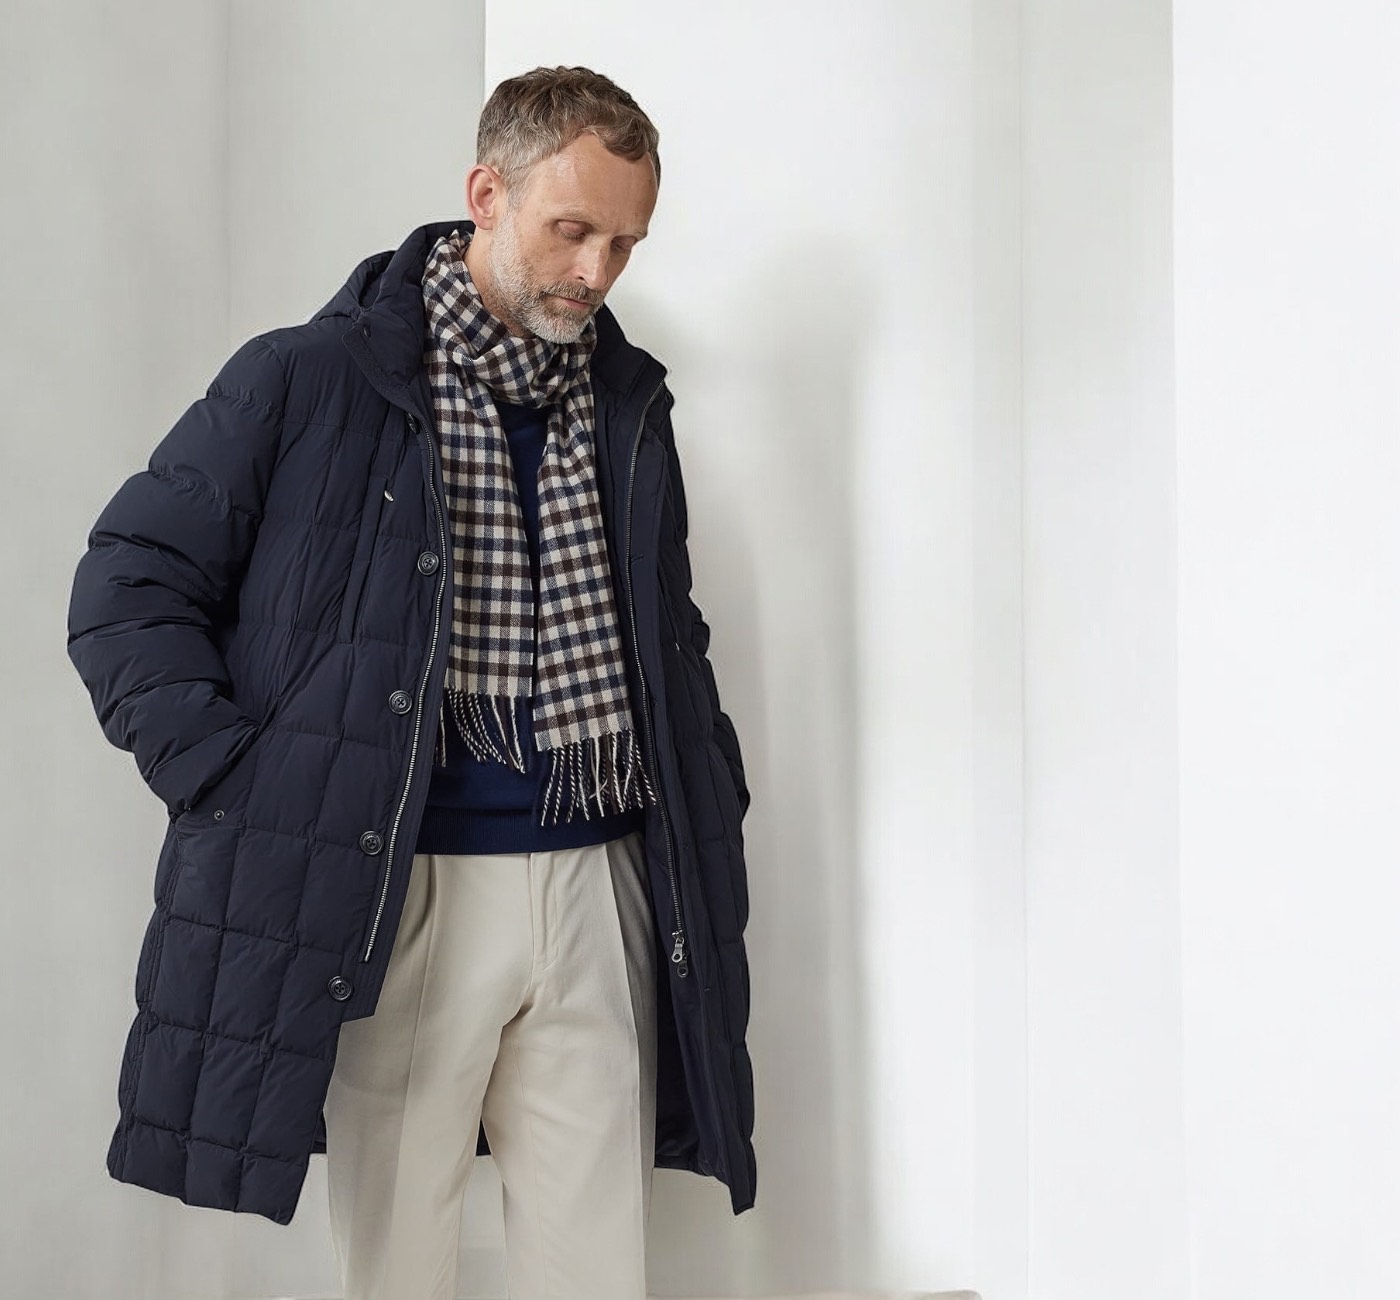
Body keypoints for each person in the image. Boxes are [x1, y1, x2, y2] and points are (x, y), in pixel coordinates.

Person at [65, 65, 755, 1300]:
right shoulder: (308, 379)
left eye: (623, 244)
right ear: (486, 194)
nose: (596, 271)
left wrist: (707, 776)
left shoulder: (624, 405)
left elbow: (665, 632)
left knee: (600, 1267)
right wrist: (237, 780)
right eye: (572, 229)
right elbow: (128, 581)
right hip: (403, 883)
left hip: (597, 876)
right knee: (398, 1264)